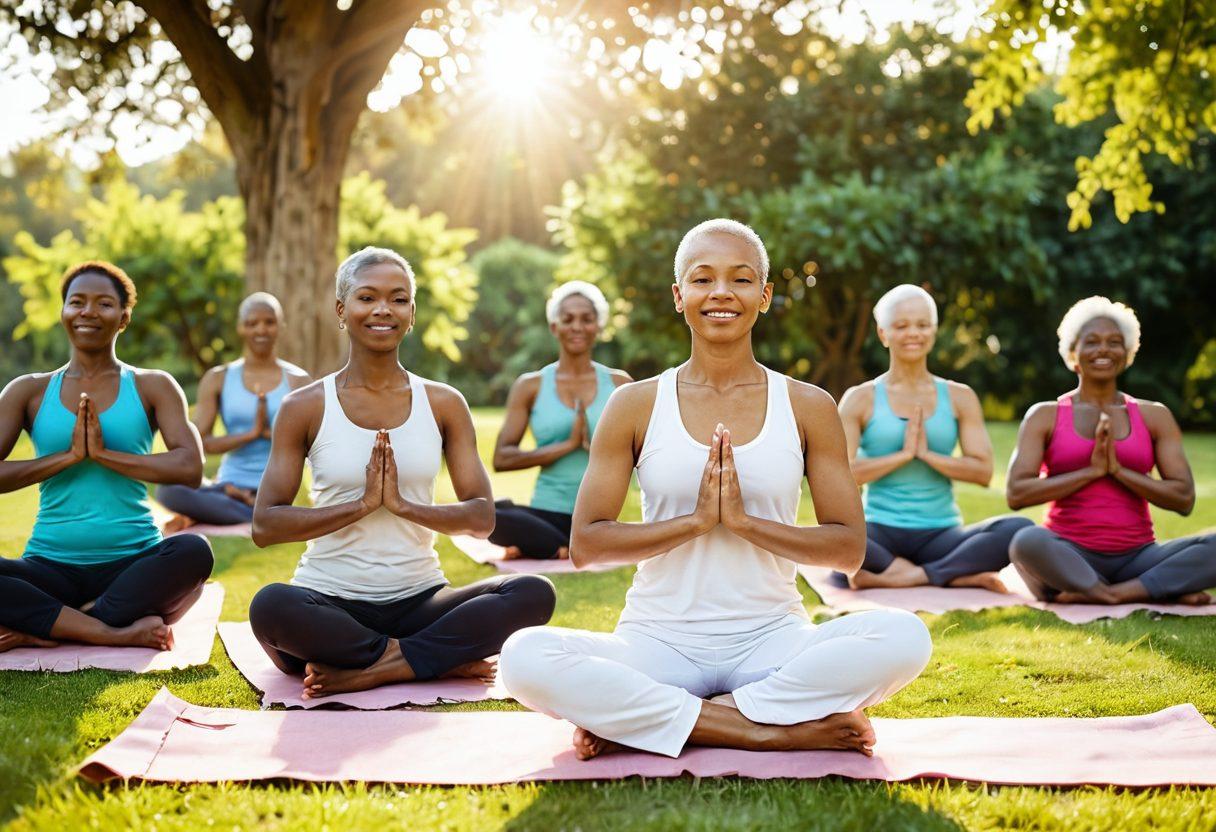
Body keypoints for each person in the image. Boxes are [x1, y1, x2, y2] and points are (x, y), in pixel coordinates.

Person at [500, 220, 932, 761]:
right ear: (679, 296)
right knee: (523, 656)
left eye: (741, 280)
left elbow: (847, 549)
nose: (721, 293)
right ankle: (760, 727)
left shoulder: (808, 405)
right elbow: (587, 544)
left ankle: (658, 718)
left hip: (772, 638)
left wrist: (748, 524)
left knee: (906, 637)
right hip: (657, 641)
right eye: (703, 279)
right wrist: (695, 522)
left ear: (765, 296)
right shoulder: (634, 403)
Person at [249, 247, 557, 699]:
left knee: (534, 592)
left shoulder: (444, 402)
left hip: (421, 599)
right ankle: (425, 657)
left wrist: (405, 507)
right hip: (328, 600)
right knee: (271, 606)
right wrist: (361, 506)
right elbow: (265, 524)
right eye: (366, 297)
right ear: (341, 310)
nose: (382, 310)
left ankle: (377, 666)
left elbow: (482, 517)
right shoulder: (305, 406)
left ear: (411, 314)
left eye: (398, 299)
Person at [0, 261, 213, 654]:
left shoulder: (153, 386)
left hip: (133, 562)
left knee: (193, 551)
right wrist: (68, 458)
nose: (88, 312)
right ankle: (108, 629)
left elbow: (190, 467)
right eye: (77, 302)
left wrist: (104, 455)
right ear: (63, 311)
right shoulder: (27, 391)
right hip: (49, 565)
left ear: (124, 318)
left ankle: (49, 626)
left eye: (104, 304)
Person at [1006, 296, 1215, 606]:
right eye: (1092, 341)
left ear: (1127, 353)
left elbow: (1184, 499)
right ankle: (1153, 588)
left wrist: (1118, 471)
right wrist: (1091, 471)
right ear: (1073, 353)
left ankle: (1109, 593)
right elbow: (1016, 493)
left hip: (1139, 556)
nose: (1103, 348)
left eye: (1114, 342)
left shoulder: (1154, 416)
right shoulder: (1044, 415)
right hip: (1068, 554)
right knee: (1025, 541)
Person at [836, 285, 1032, 592]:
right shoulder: (860, 399)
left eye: (923, 325)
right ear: (884, 333)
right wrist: (903, 455)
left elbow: (982, 472)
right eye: (902, 326)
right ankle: (954, 575)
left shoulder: (959, 397)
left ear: (934, 331)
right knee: (835, 538)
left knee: (1019, 529)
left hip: (941, 534)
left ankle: (911, 575)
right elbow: (840, 475)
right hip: (877, 530)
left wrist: (928, 455)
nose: (913, 333)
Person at [490, 281, 631, 559]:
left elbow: (645, 454)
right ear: (555, 327)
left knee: (586, 530)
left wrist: (600, 449)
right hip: (546, 511)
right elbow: (501, 459)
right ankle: (561, 546)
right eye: (567, 319)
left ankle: (550, 545)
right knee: (487, 513)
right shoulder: (529, 386)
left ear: (599, 327)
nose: (577, 326)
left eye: (586, 319)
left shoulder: (620, 384)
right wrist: (567, 446)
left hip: (598, 516)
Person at [158, 292, 310, 531]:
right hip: (228, 486)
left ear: (280, 326)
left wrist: (271, 434)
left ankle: (250, 507)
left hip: (278, 490)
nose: (261, 330)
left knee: (271, 508)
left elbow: (311, 447)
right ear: (241, 328)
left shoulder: (299, 381)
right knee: (168, 490)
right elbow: (201, 443)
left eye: (269, 322)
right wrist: (250, 434)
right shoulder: (218, 378)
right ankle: (241, 502)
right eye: (252, 323)